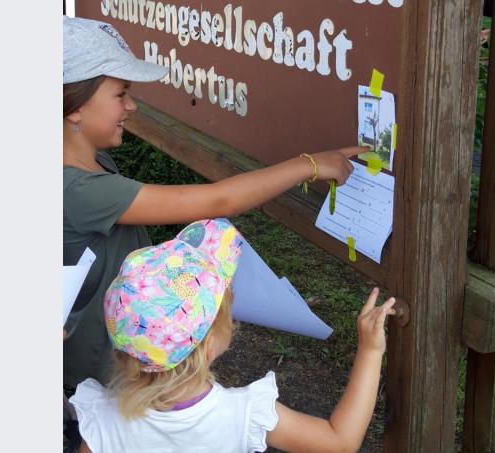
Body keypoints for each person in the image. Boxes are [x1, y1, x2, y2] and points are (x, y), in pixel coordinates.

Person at [62, 16, 364, 391]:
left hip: (112, 360)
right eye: (121, 93)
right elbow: (221, 199)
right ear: (73, 105)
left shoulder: (87, 163)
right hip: (110, 374)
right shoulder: (78, 189)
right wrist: (311, 164)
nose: (132, 105)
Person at [69, 219, 396, 452]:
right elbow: (339, 441)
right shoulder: (243, 416)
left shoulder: (105, 422)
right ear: (209, 345)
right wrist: (370, 350)